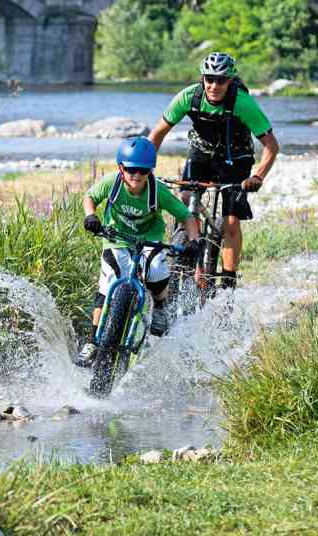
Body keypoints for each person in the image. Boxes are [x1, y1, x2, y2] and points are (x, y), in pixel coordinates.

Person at [147, 51, 279, 290]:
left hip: (235, 157)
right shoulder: (189, 97)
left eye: (221, 80)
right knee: (186, 200)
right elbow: (157, 134)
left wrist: (257, 176)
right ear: (203, 78)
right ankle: (187, 254)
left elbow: (271, 146)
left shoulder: (243, 103)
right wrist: (144, 168)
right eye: (209, 79)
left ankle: (228, 282)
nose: (214, 85)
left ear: (230, 80)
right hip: (201, 152)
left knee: (230, 222)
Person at [75, 137, 201, 367]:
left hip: (149, 240)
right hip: (116, 238)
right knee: (108, 281)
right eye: (131, 169)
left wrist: (194, 239)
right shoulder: (112, 183)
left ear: (150, 171)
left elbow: (186, 216)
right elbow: (89, 197)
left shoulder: (157, 192)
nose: (136, 175)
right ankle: (93, 341)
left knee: (155, 271)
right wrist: (90, 215)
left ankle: (161, 307)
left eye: (142, 171)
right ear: (121, 168)